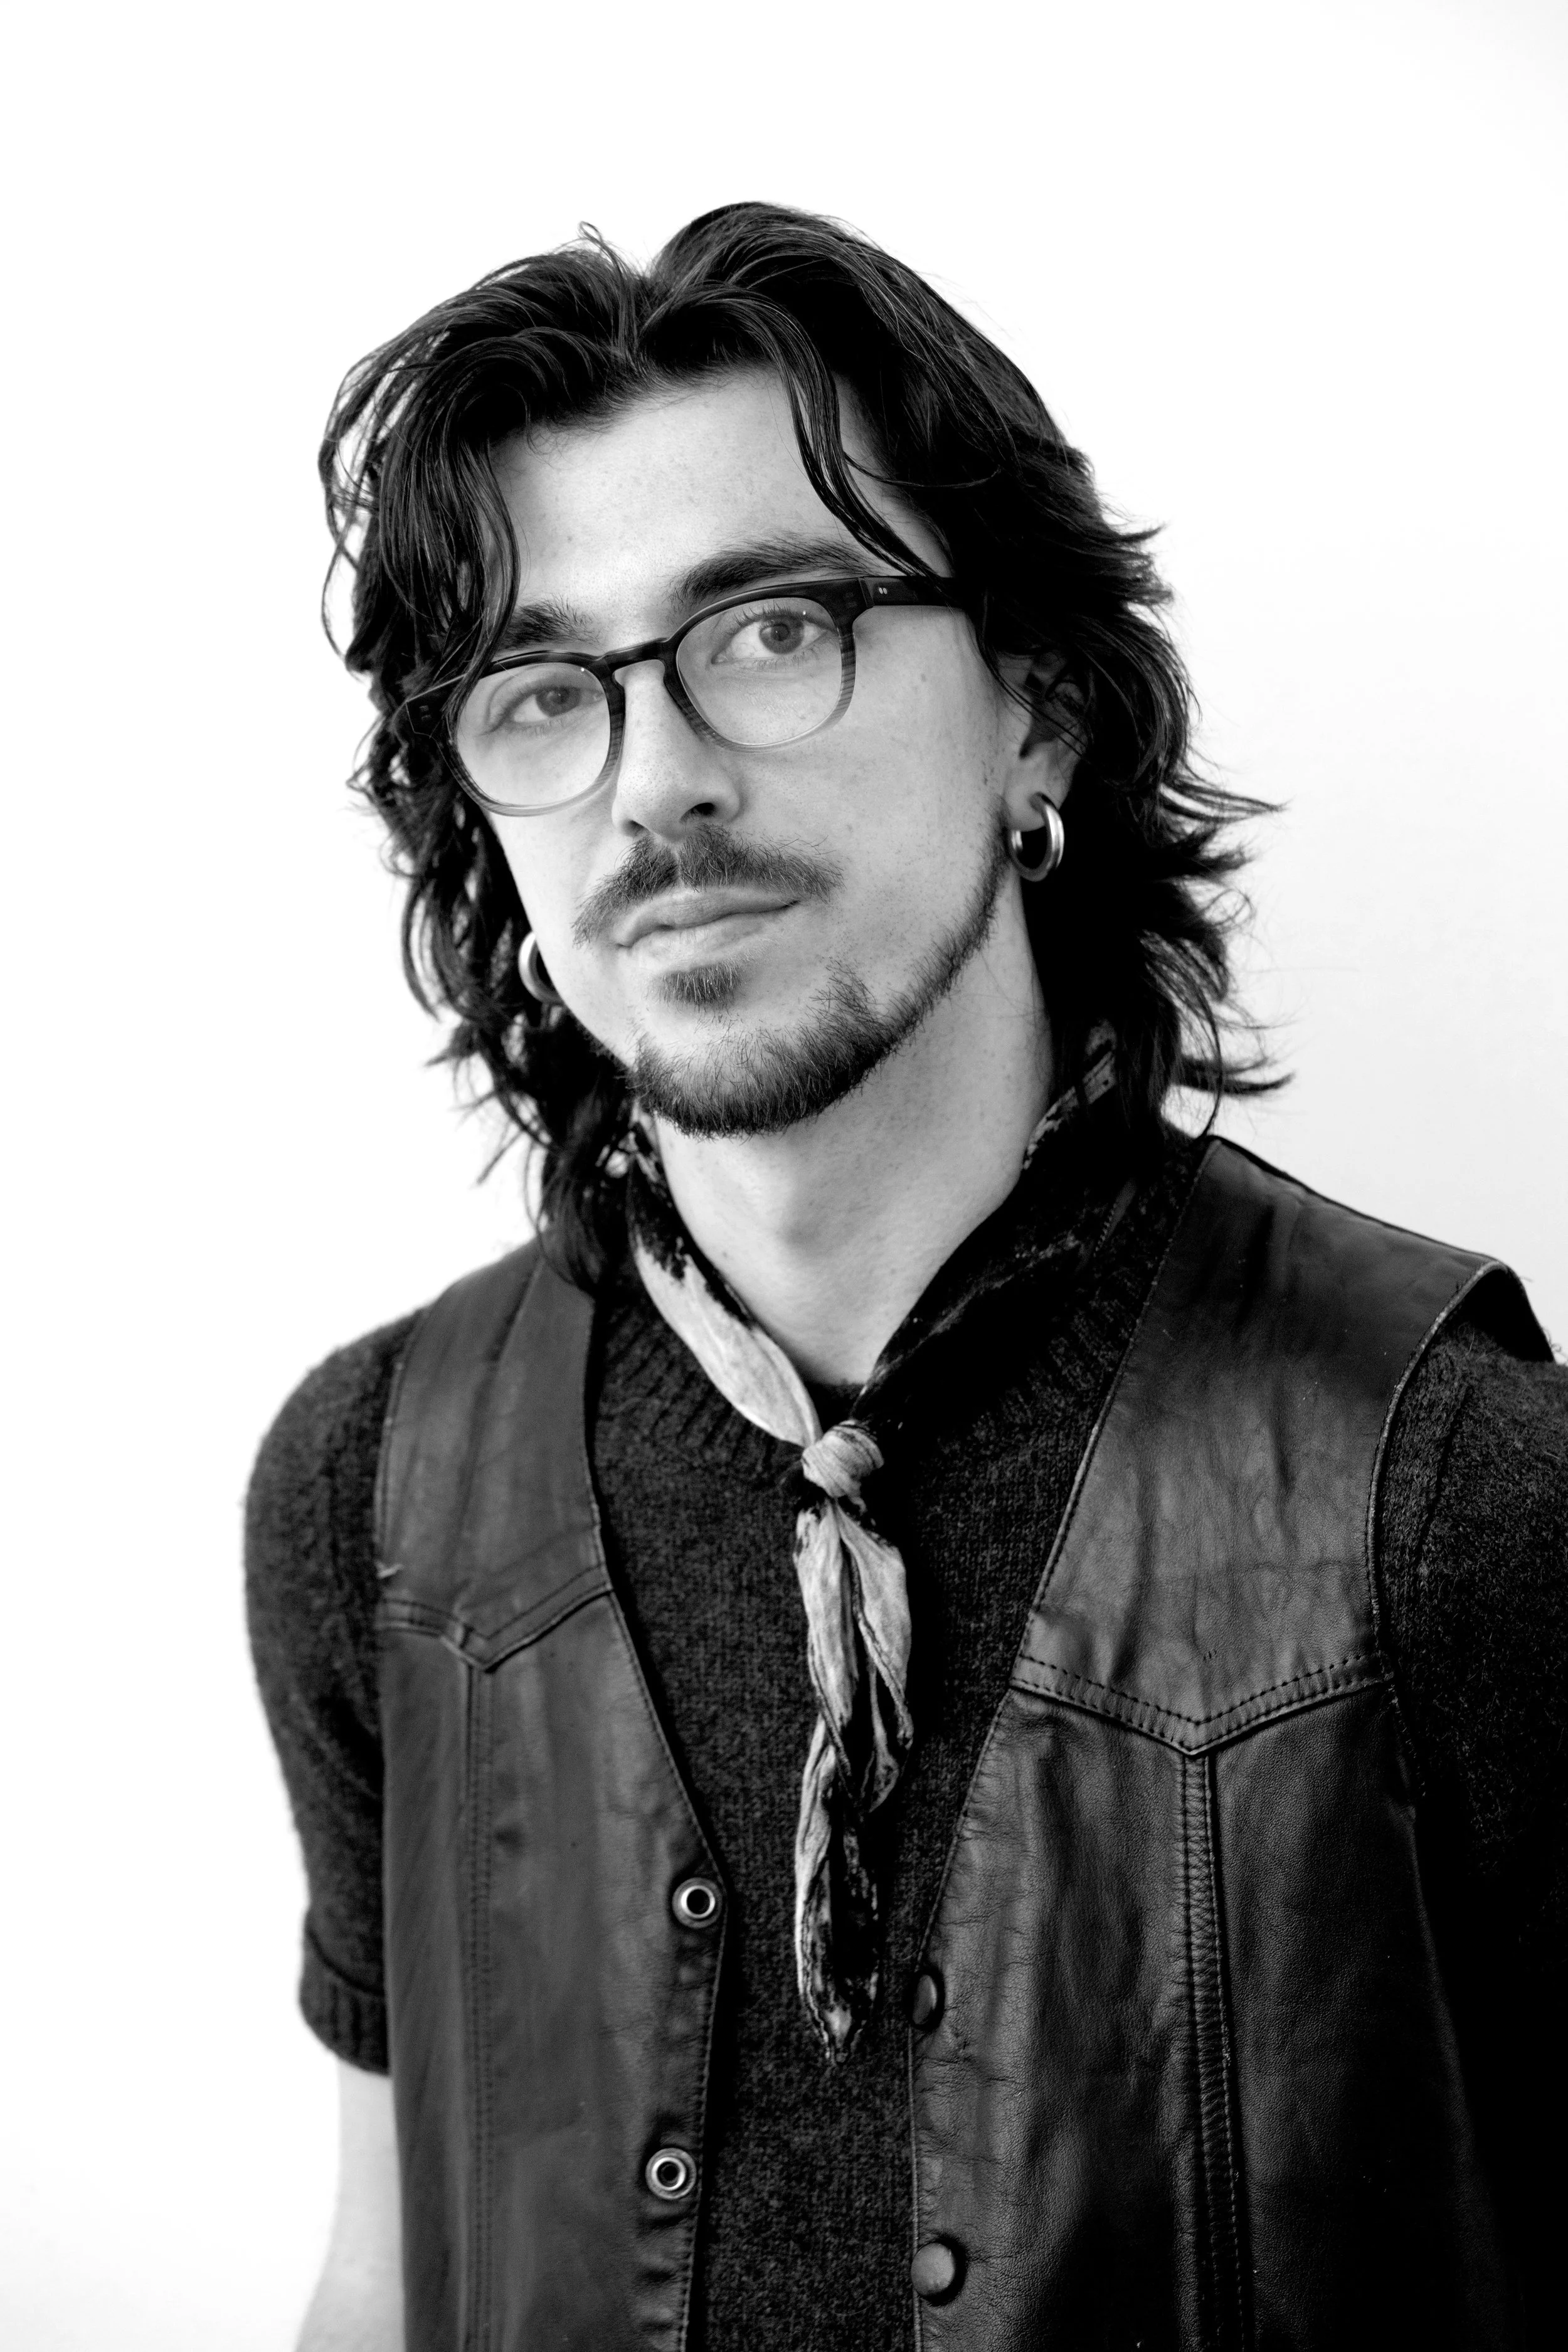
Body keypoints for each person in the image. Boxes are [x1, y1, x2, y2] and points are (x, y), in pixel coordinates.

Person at [245, 202, 1567, 2352]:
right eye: (542, 693)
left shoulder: (1464, 1492)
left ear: (1034, 713)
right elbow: (380, 2285)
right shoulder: (369, 1500)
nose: (656, 779)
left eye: (771, 629)